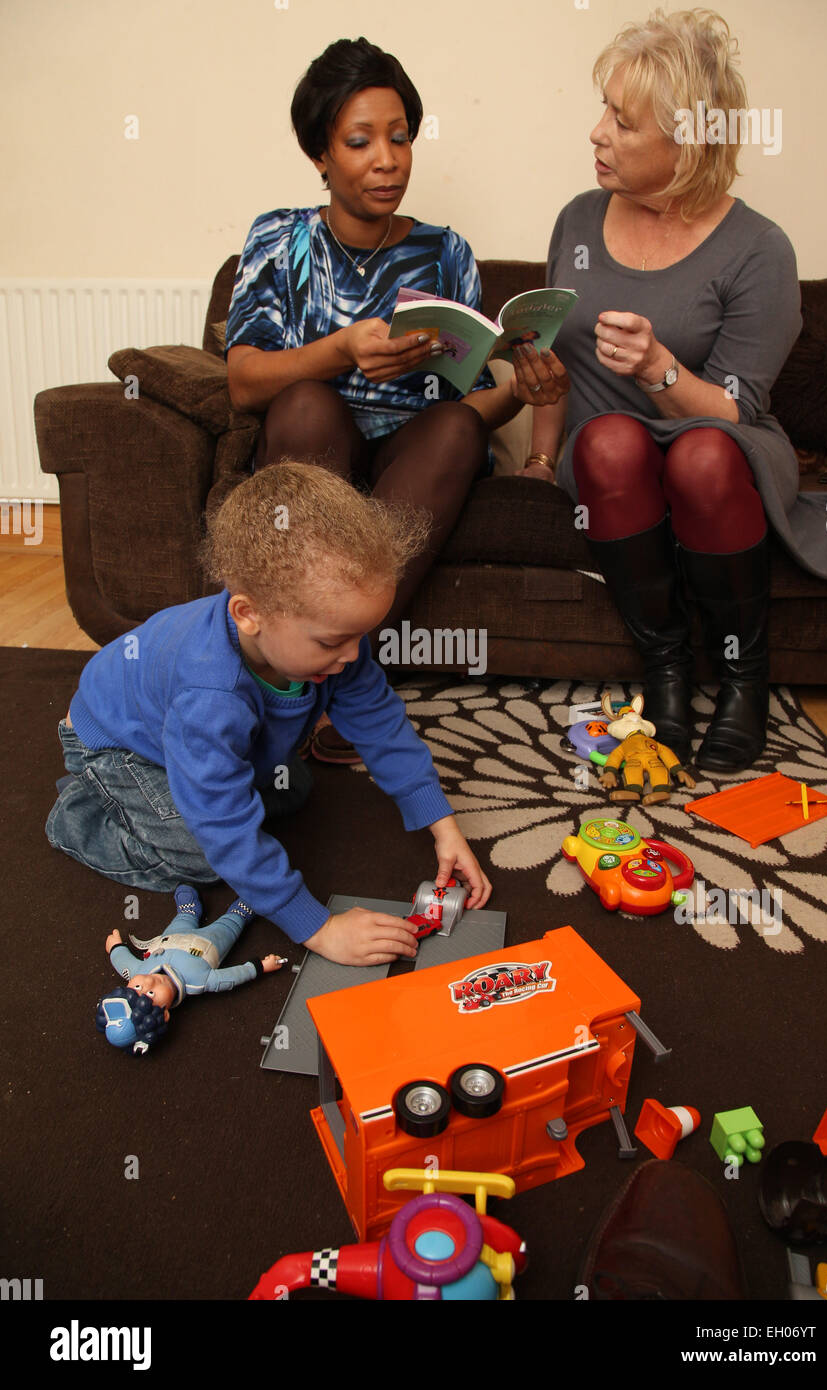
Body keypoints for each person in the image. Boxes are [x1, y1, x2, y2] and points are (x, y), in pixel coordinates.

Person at [528, 8, 827, 773]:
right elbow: (552, 360)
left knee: (702, 456)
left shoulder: (759, 249)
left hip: (721, 443)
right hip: (611, 453)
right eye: (605, 108)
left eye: (624, 120)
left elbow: (737, 405)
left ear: (687, 144)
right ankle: (665, 673)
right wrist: (543, 459)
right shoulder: (576, 220)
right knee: (609, 441)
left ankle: (743, 679)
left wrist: (657, 369)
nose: (597, 132)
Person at [225, 36, 567, 761]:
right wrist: (343, 349)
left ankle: (343, 678)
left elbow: (471, 404)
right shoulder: (280, 240)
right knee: (309, 403)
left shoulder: (447, 253)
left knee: (454, 432)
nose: (388, 159)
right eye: (360, 141)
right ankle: (294, 667)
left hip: (415, 455)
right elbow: (244, 378)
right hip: (316, 447)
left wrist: (519, 388)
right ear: (320, 154)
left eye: (400, 137)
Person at [46, 462, 492, 967]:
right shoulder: (209, 694)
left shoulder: (333, 646)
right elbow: (222, 820)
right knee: (206, 856)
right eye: (332, 641)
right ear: (248, 614)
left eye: (361, 636)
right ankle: (78, 816)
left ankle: (196, 784)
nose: (352, 654)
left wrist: (442, 825)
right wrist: (317, 927)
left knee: (292, 790)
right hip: (119, 747)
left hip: (190, 738)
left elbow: (380, 723)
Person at [96, 885, 286, 1055]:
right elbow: (232, 977)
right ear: (165, 1014)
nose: (148, 983)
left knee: (182, 918)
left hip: (172, 936)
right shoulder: (198, 981)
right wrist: (260, 966)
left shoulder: (139, 969)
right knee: (231, 924)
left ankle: (189, 911)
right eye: (151, 993)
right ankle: (241, 911)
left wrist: (115, 947)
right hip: (211, 943)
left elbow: (122, 962)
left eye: (137, 987)